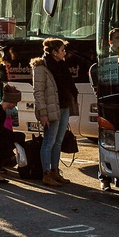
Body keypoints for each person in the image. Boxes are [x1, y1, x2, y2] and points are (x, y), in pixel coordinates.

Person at [31, 37, 78, 188]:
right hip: (52, 110)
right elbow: (38, 92)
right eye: (62, 50)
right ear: (54, 52)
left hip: (63, 107)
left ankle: (55, 171)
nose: (65, 53)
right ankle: (46, 174)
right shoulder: (41, 67)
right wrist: (43, 113)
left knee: (58, 142)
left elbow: (66, 87)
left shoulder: (61, 65)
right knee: (49, 141)